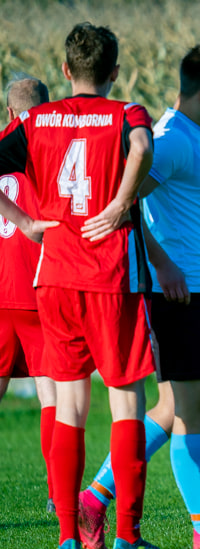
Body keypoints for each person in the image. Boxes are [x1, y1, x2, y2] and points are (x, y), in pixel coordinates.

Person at [77, 43, 200, 549]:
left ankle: (94, 500)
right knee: (194, 410)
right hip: (178, 294)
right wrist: (162, 263)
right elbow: (125, 202)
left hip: (189, 289)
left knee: (171, 409)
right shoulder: (174, 139)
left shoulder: (188, 135)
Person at [0, 23, 177, 549]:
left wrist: (27, 223)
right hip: (108, 278)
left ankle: (66, 541)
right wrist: (123, 201)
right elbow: (143, 146)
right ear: (115, 71)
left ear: (65, 71)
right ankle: (126, 538)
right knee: (126, 401)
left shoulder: (34, 119)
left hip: (54, 277)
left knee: (68, 406)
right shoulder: (127, 113)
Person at [0, 75, 56, 513]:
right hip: (40, 291)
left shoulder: (5, 143)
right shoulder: (49, 144)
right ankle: (61, 497)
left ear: (8, 112)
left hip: (0, 295)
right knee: (52, 396)